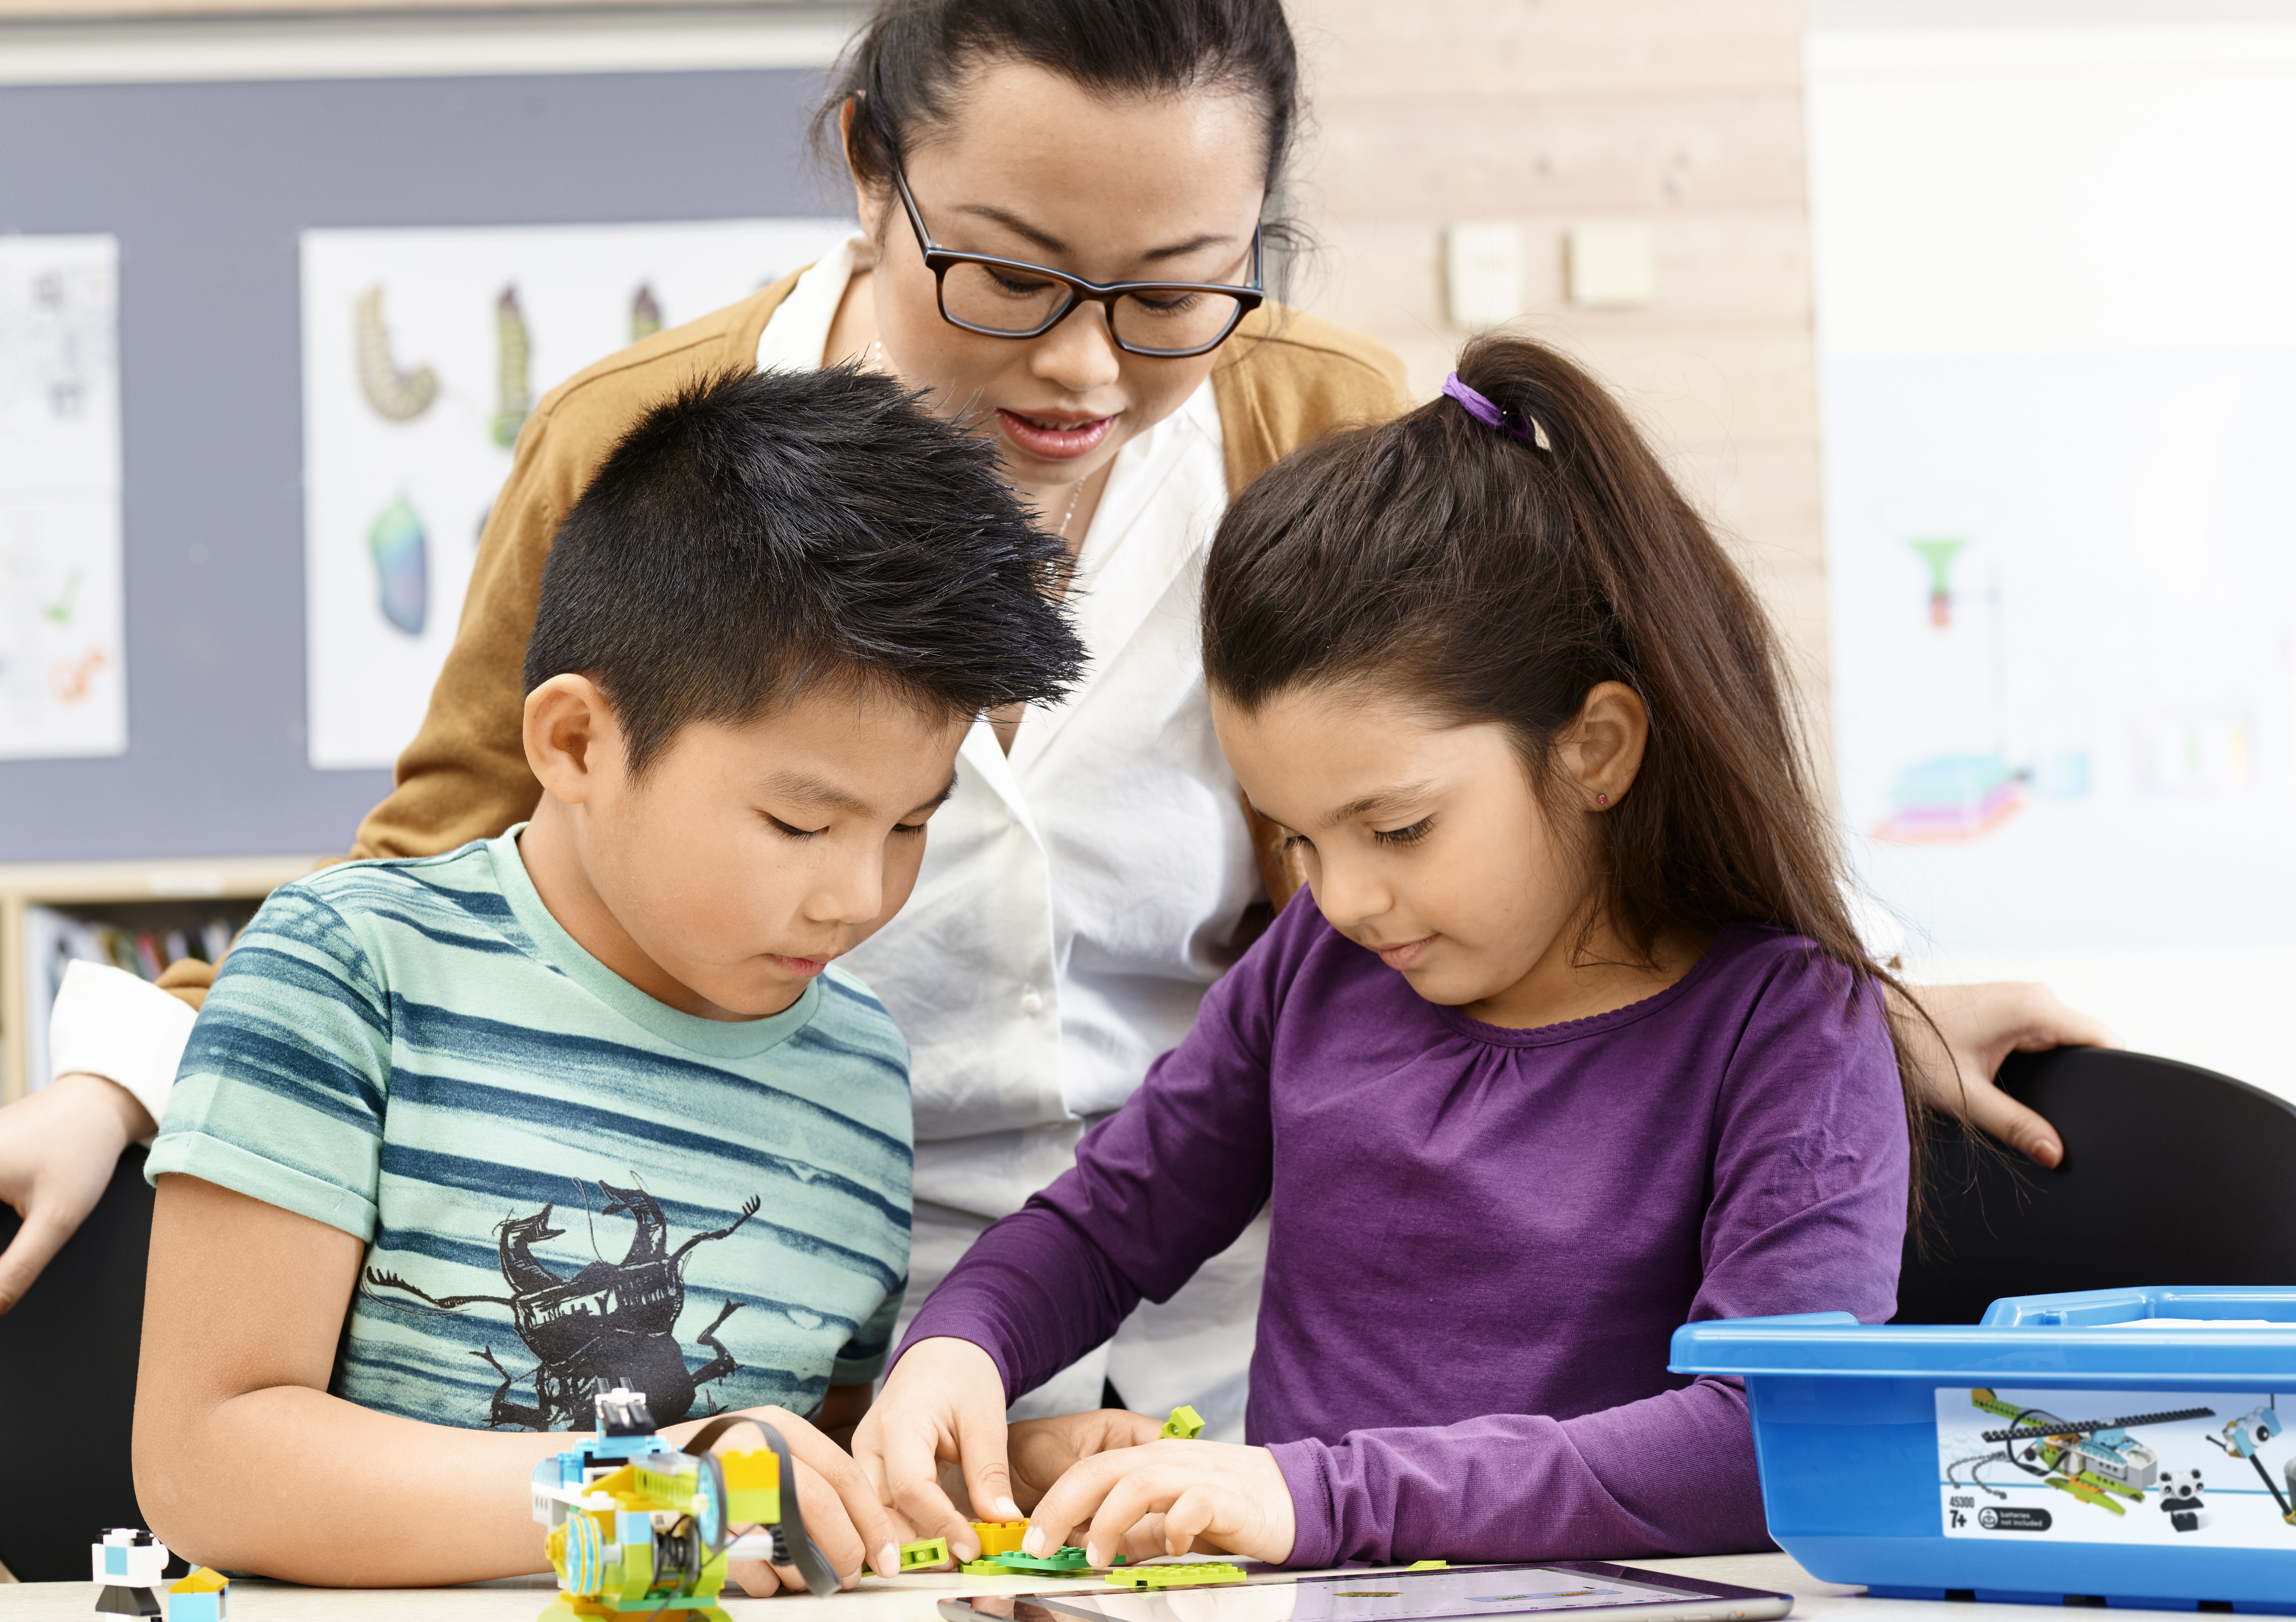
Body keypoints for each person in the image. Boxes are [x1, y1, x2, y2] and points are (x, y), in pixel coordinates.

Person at [1, 0, 2104, 1476]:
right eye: (1005, 276)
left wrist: (1838, 982)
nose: (1088, 369)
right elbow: (449, 867)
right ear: (869, 171)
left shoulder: (1319, 422)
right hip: (808, 1337)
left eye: (1177, 287)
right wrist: (129, 1067)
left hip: (1258, 1357)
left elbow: (1530, 761)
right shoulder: (647, 451)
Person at [855, 336, 1923, 1569]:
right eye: (1299, 837)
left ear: (1598, 748)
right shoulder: (1323, 960)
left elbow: (1763, 1441)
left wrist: (1323, 1498)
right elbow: (1103, 1228)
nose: (1346, 895)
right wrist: (964, 1342)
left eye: (1399, 827)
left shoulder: (1784, 1029)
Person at [131, 366, 1083, 1588]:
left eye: (911, 827)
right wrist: (643, 1492)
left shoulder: (857, 1069)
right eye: (800, 824)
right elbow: (206, 1459)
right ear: (576, 741)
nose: (859, 895)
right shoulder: (353, 969)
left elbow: (785, 1467)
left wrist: (956, 1475)